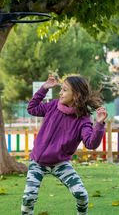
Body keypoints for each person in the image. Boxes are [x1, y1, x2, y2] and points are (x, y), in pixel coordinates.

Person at [21, 75, 108, 215]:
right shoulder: (52, 106)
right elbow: (31, 108)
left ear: (77, 95)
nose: (60, 92)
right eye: (61, 89)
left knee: (81, 195)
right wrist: (43, 89)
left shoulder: (83, 120)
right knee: (28, 198)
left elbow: (91, 143)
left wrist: (99, 124)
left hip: (59, 163)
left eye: (65, 90)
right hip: (37, 162)